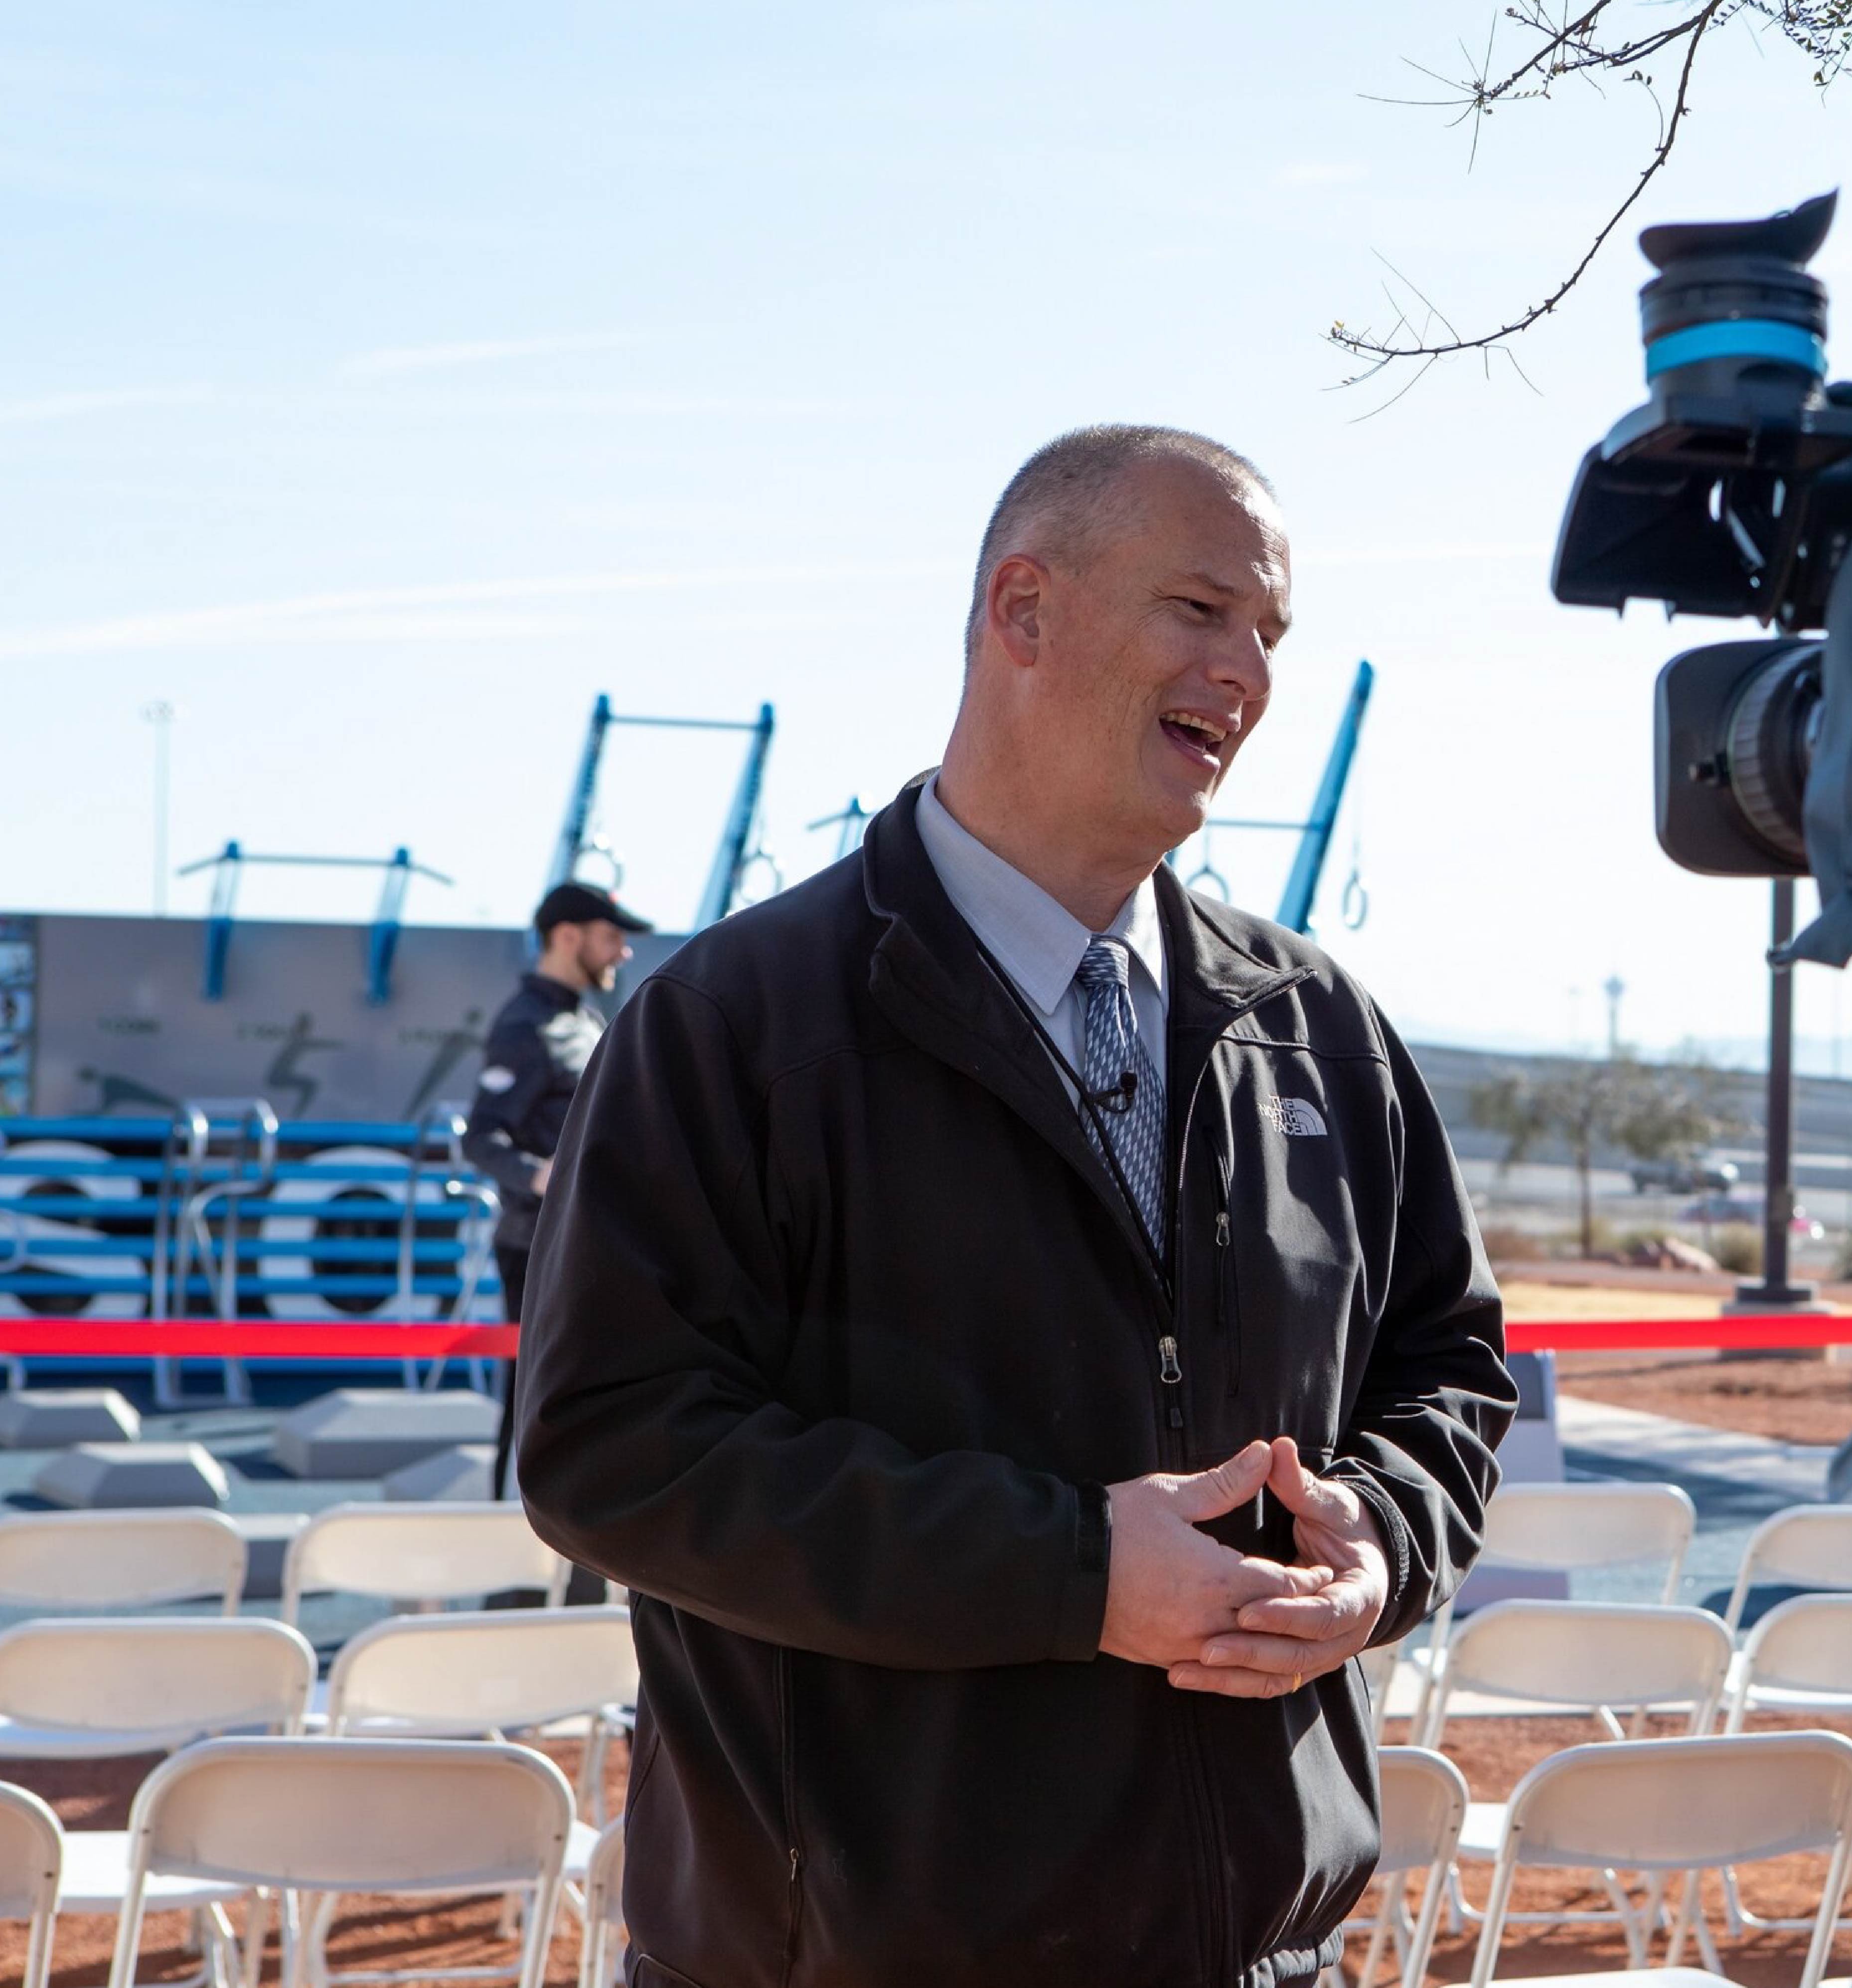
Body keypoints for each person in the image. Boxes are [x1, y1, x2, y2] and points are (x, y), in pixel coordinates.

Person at [514, 425, 1514, 1988]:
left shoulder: (1319, 1026)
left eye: (1270, 632)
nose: (1246, 669)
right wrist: (1074, 1571)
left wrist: (1381, 1537)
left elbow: (1446, 1362)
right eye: (1200, 607)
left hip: (1262, 1956)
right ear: (1023, 612)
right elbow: (612, 1450)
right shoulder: (732, 1022)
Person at [466, 879, 649, 1495]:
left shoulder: (586, 1019)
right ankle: (509, 1551)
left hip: (589, 1244)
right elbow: (481, 1139)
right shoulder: (524, 1026)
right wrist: (545, 1176)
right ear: (568, 937)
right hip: (536, 1247)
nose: (622, 953)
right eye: (612, 937)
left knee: (584, 1402)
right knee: (533, 1401)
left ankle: (569, 1564)